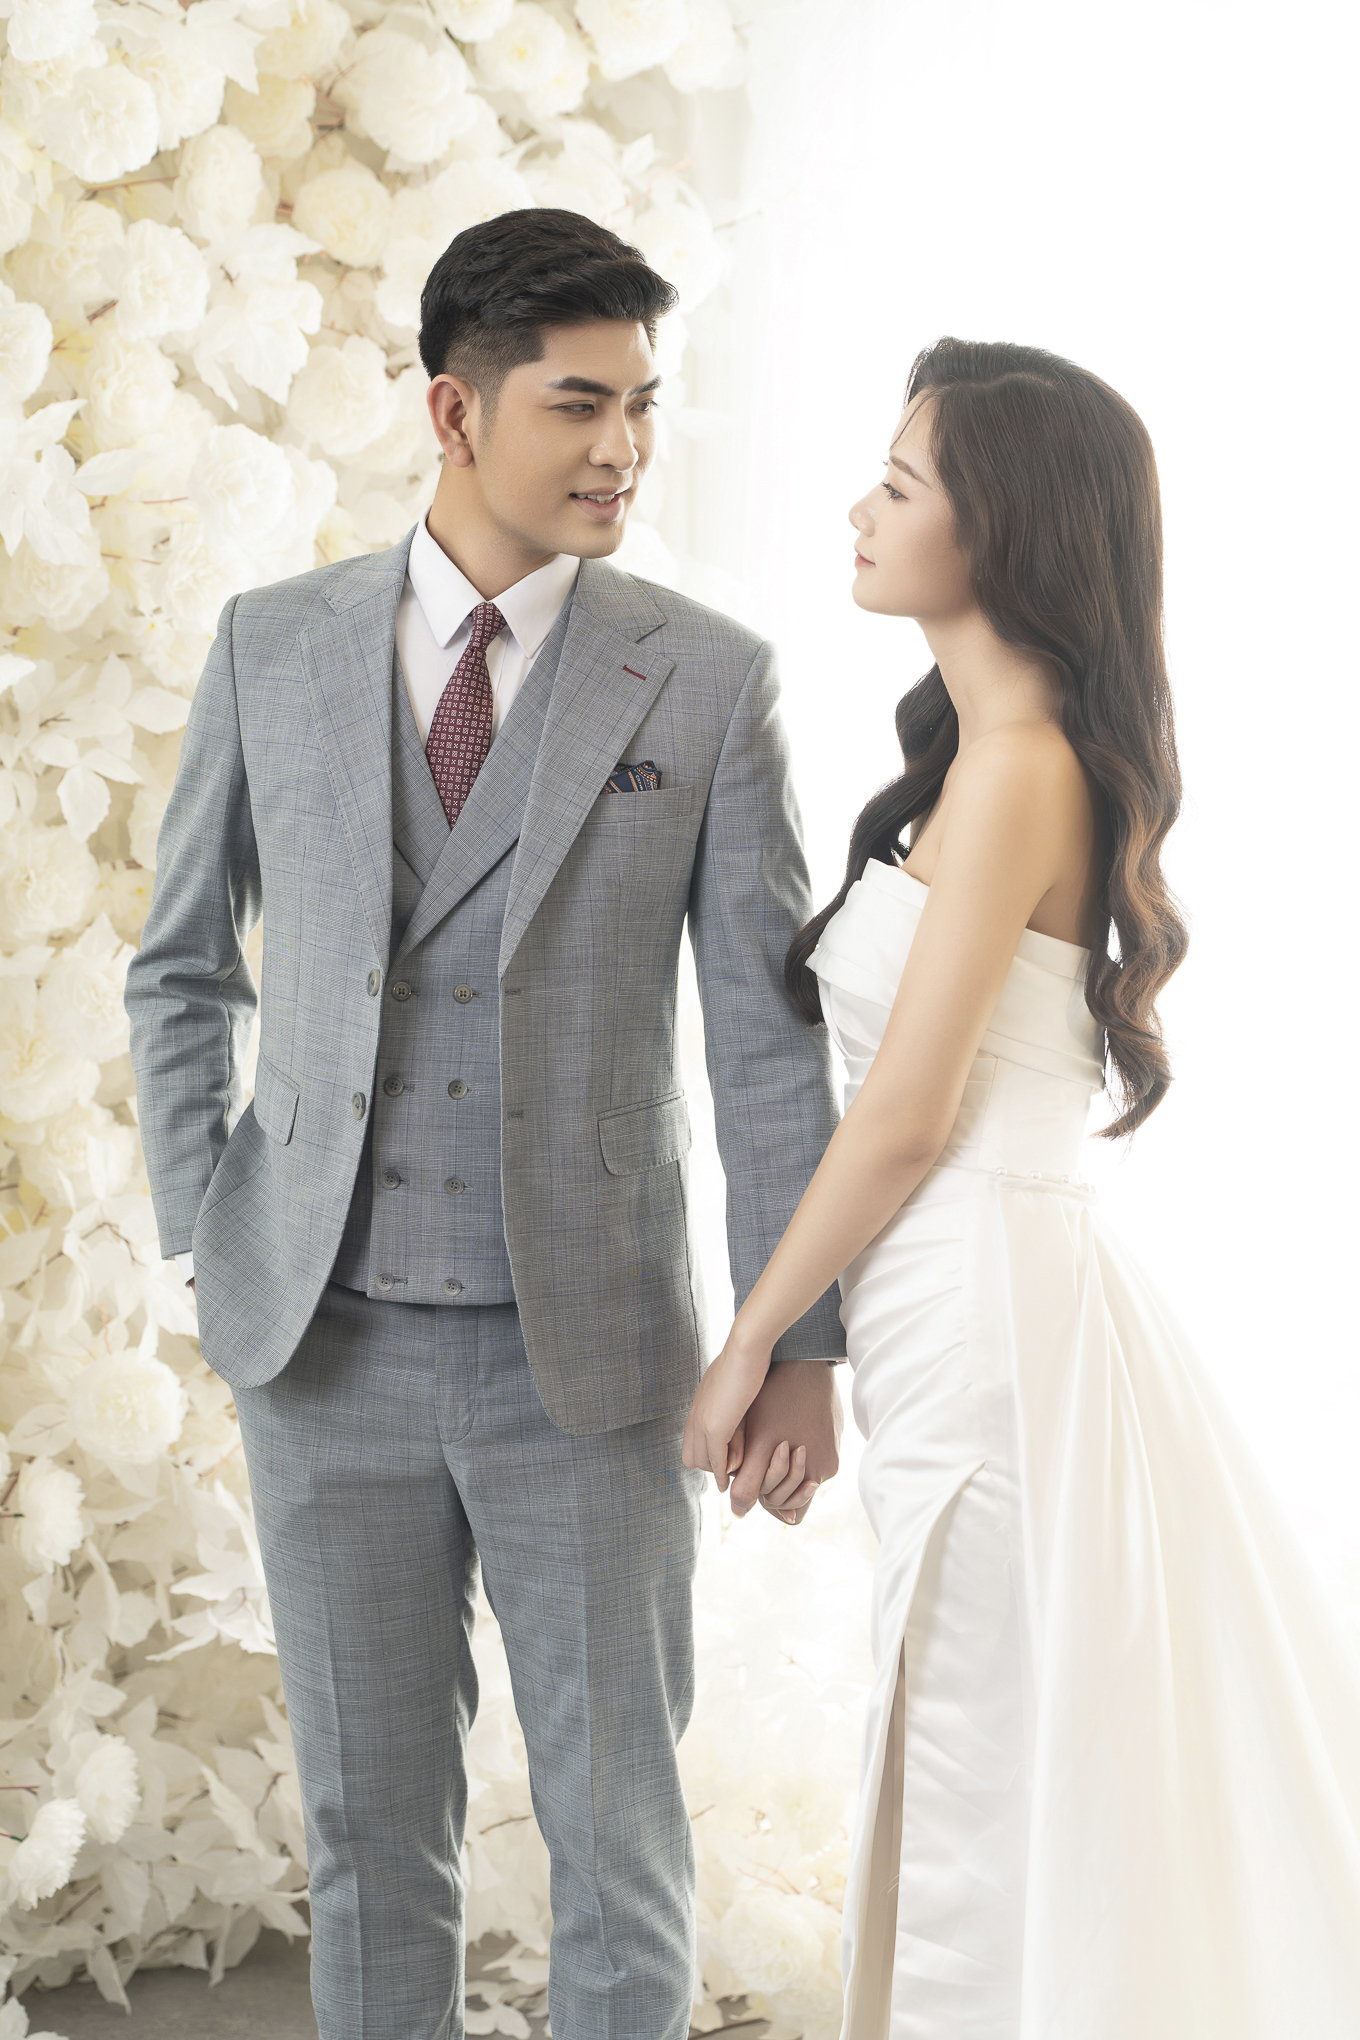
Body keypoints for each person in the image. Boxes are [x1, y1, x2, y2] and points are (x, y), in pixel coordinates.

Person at [125, 207, 847, 2040]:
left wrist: (798, 1345)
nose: (624, 448)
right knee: (372, 1840)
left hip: (586, 1356)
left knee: (619, 1841)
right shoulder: (271, 645)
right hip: (320, 1345)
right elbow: (182, 966)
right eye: (578, 404)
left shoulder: (705, 677)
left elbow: (765, 1045)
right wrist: (213, 1229)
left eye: (644, 404)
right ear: (454, 411)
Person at [683, 337, 1360, 2038]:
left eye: (899, 483)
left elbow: (905, 1118)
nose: (859, 508)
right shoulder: (991, 760)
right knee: (981, 1719)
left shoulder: (1018, 770)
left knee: (983, 1734)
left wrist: (753, 1337)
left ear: (1002, 529)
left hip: (978, 1296)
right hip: (967, 1291)